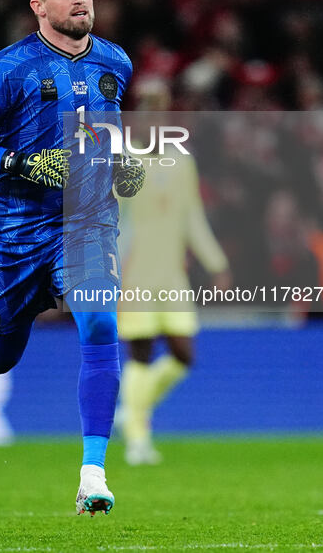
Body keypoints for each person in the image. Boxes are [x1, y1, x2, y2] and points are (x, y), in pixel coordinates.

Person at [0, 0, 144, 514]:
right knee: (5, 348)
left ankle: (93, 474)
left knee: (101, 324)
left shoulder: (116, 62)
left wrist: (125, 162)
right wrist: (16, 161)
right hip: (17, 232)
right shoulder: (9, 67)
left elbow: (106, 135)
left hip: (88, 221)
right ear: (38, 7)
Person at [117, 80, 230, 465]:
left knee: (183, 354)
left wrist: (215, 262)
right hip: (136, 269)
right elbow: (111, 217)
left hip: (171, 273)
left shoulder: (182, 162)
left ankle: (132, 409)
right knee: (142, 353)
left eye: (161, 109)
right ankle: (137, 438)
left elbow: (192, 217)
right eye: (147, 108)